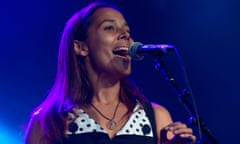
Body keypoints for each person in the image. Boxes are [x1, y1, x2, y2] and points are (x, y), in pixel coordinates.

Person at [24, 1, 196, 144]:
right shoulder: (48, 122)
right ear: (80, 47)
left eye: (127, 32)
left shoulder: (156, 117)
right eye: (110, 28)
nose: (125, 36)